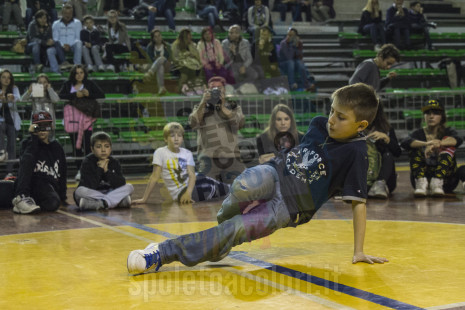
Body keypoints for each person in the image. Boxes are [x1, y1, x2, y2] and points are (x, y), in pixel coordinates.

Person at [127, 83, 388, 275]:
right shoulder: (319, 124)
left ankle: (160, 253)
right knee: (243, 185)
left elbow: (359, 203)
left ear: (361, 125)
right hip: (275, 172)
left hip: (290, 207)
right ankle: (221, 235)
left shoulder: (357, 153)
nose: (332, 119)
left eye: (341, 117)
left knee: (234, 230)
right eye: (332, 111)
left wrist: (359, 251)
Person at [132, 122, 230, 205]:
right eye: (172, 136)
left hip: (192, 183)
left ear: (182, 139)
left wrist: (189, 192)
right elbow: (154, 177)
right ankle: (234, 191)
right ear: (165, 139)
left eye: (179, 136)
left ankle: (234, 189)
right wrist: (144, 199)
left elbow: (192, 175)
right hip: (181, 191)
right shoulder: (160, 152)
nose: (176, 139)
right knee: (209, 188)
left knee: (214, 183)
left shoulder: (187, 153)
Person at [400, 100, 465, 197]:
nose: (431, 116)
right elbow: (405, 142)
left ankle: (437, 181)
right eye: (428, 113)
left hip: (446, 181)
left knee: (448, 146)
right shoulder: (418, 133)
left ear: (442, 116)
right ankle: (421, 183)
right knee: (414, 147)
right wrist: (426, 144)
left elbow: (457, 140)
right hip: (423, 178)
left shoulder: (448, 131)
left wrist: (438, 144)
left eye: (435, 113)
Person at [189, 76, 246, 184]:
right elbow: (193, 123)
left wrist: (223, 107)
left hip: (232, 157)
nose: (216, 90)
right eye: (212, 88)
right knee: (206, 192)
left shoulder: (233, 106)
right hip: (208, 158)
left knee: (241, 190)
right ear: (207, 90)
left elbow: (239, 124)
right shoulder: (200, 107)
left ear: (224, 90)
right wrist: (203, 102)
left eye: (219, 88)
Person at [11, 111, 67, 214]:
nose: (42, 130)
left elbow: (63, 171)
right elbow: (26, 163)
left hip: (47, 186)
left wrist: (63, 196)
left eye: (46, 126)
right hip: (30, 183)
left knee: (53, 203)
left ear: (51, 126)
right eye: (39, 126)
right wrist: (34, 137)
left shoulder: (56, 147)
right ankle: (21, 197)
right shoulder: (27, 143)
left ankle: (30, 203)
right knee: (28, 158)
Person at [59, 64, 105, 181]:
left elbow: (101, 95)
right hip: (72, 120)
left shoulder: (89, 84)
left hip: (86, 120)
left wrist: (89, 94)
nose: (79, 75)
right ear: (73, 74)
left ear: (84, 74)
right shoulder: (68, 84)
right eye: (76, 73)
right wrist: (74, 95)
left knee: (88, 146)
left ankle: (91, 170)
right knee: (76, 147)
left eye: (81, 72)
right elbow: (61, 96)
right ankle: (80, 170)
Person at [74, 131, 134, 211]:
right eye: (99, 147)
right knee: (79, 191)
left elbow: (121, 183)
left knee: (129, 187)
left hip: (110, 192)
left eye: (106, 146)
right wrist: (100, 169)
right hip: (93, 193)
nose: (103, 150)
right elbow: (90, 185)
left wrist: (106, 171)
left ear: (111, 148)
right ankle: (114, 202)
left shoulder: (114, 162)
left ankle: (101, 203)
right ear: (92, 149)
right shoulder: (87, 162)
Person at [365, 102, 401, 199]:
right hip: (365, 176)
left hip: (384, 180)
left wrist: (387, 139)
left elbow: (398, 152)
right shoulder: (354, 129)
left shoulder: (386, 128)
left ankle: (379, 184)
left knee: (388, 155)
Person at [21, 74, 60, 141]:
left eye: (45, 82)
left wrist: (50, 89)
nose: (43, 84)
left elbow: (56, 100)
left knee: (49, 143)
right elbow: (22, 100)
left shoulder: (51, 92)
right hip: (37, 123)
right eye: (40, 83)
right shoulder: (34, 93)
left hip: (49, 123)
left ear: (48, 83)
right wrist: (29, 91)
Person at [0, 69, 21, 177]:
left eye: (8, 77)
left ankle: (9, 171)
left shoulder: (14, 88)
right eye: (3, 77)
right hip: (1, 121)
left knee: (12, 146)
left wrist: (12, 98)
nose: (6, 80)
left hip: (12, 121)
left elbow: (19, 99)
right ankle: (2, 151)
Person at [171, 28, 203, 94]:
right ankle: (181, 90)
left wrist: (192, 55)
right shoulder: (176, 45)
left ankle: (191, 89)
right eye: (189, 36)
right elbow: (175, 59)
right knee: (185, 73)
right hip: (178, 66)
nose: (191, 37)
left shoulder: (192, 45)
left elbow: (198, 57)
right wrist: (184, 56)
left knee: (195, 69)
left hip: (191, 65)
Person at [51, 4, 82, 70]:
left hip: (73, 46)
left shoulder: (77, 23)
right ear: (62, 13)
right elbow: (55, 38)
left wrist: (69, 45)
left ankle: (77, 66)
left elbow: (77, 38)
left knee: (79, 43)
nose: (67, 15)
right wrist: (63, 46)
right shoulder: (56, 23)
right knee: (50, 51)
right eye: (65, 13)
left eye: (70, 13)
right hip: (60, 47)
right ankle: (56, 70)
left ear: (72, 13)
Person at [26, 10, 57, 74]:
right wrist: (44, 42)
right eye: (41, 18)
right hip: (31, 45)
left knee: (54, 45)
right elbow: (33, 39)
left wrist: (49, 41)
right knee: (36, 44)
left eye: (45, 18)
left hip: (43, 46)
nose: (43, 20)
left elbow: (49, 37)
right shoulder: (32, 25)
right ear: (37, 18)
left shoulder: (48, 25)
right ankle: (37, 64)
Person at [144, 28, 172, 95]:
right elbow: (149, 61)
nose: (158, 38)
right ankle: (161, 88)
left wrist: (160, 60)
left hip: (167, 66)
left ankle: (150, 73)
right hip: (156, 67)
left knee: (161, 58)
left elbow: (170, 59)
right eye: (156, 37)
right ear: (153, 38)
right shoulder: (149, 47)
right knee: (160, 66)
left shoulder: (167, 46)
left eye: (159, 35)